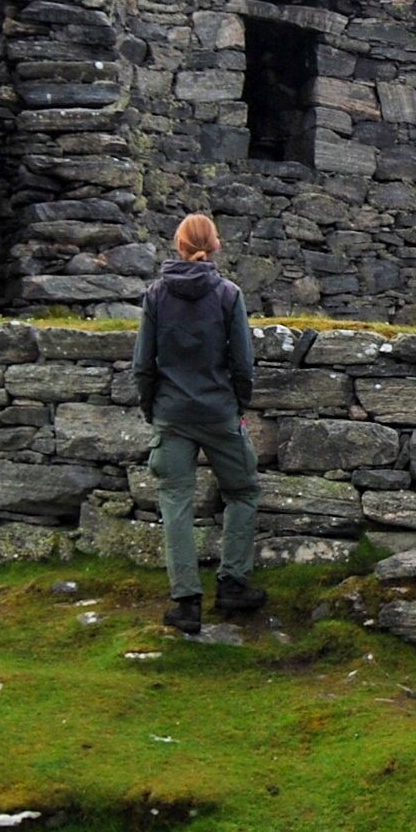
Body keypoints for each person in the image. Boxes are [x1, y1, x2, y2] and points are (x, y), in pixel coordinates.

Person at [132, 213, 263, 633]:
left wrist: (153, 409)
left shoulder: (155, 295)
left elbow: (142, 365)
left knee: (176, 504)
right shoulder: (228, 294)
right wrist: (237, 406)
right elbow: (243, 362)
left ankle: (186, 602)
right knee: (242, 492)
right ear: (215, 245)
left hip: (172, 414)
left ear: (179, 245)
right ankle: (233, 583)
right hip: (218, 412)